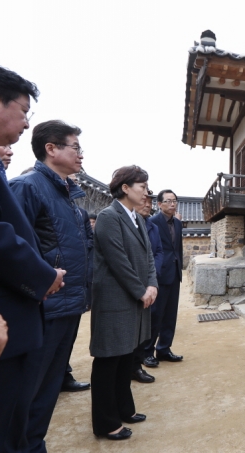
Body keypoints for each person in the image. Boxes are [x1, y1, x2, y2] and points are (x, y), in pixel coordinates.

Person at [0, 60, 66, 452]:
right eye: (22, 111)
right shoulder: (29, 184)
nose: (24, 123)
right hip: (7, 318)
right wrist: (43, 275)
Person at [10, 119, 89, 451]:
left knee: (49, 388)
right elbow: (13, 248)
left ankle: (34, 444)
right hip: (44, 307)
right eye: (75, 147)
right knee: (26, 393)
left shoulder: (68, 193)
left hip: (69, 305)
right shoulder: (27, 187)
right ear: (51, 148)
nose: (81, 154)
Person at [89, 165, 157, 441]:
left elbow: (149, 256)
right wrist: (141, 290)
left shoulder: (137, 218)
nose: (146, 192)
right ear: (125, 188)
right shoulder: (108, 216)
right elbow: (118, 261)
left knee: (126, 354)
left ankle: (124, 409)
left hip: (135, 295)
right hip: (116, 298)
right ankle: (106, 422)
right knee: (109, 357)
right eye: (142, 186)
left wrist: (152, 283)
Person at [143, 189, 184, 367]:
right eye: (168, 201)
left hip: (174, 273)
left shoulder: (178, 223)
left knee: (170, 314)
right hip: (159, 274)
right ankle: (147, 352)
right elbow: (151, 251)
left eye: (174, 200)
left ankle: (164, 349)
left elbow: (178, 248)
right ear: (159, 205)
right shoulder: (152, 222)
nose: (172, 204)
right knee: (155, 315)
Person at [61, 206, 94, 393]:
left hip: (75, 280)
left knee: (68, 336)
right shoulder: (27, 190)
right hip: (51, 278)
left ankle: (64, 375)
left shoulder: (80, 212)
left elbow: (89, 239)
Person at [132, 190, 163, 383]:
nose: (147, 204)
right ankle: (132, 365)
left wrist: (153, 276)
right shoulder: (120, 221)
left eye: (150, 201)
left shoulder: (151, 226)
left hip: (149, 281)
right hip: (132, 283)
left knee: (148, 323)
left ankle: (139, 361)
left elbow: (157, 252)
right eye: (144, 200)